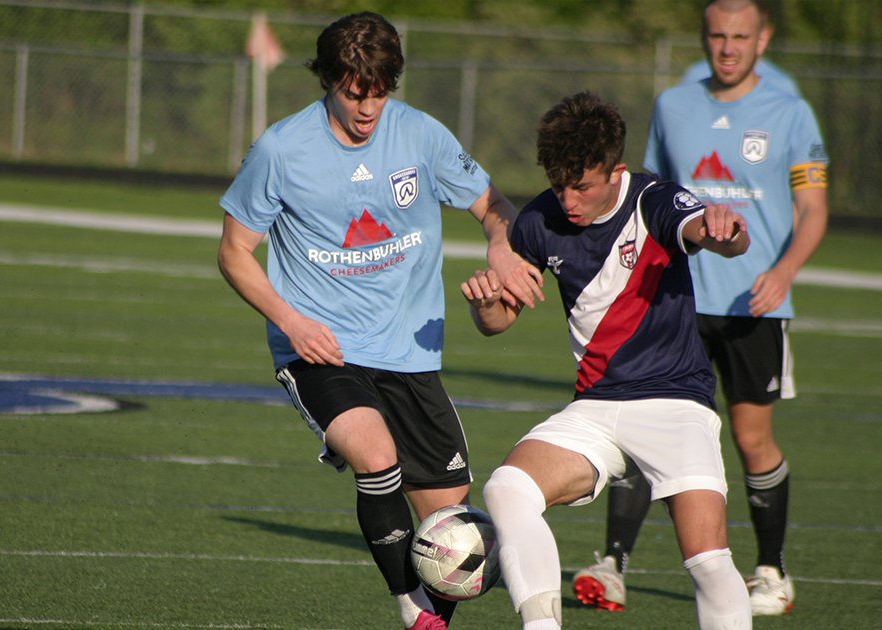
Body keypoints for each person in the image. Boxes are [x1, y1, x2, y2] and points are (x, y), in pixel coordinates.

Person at [216, 11, 543, 630]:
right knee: (375, 456)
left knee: (456, 534)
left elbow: (492, 204)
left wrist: (500, 243)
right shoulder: (282, 149)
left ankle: (432, 618)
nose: (368, 107)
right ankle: (410, 609)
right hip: (322, 350)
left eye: (380, 91)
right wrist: (292, 322)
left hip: (411, 354)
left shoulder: (420, 136)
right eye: (353, 92)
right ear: (327, 81)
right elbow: (234, 253)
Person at [572, 0, 829, 617]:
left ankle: (770, 571)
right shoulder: (672, 105)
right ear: (703, 37)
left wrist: (783, 271)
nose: (728, 47)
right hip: (671, 300)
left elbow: (814, 209)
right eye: (717, 35)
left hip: (754, 303)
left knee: (750, 436)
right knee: (641, 425)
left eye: (741, 36)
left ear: (763, 39)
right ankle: (612, 566)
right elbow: (648, 198)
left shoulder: (790, 113)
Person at [472, 90, 753, 630]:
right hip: (596, 409)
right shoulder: (537, 221)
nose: (569, 200)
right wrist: (487, 304)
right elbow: (499, 321)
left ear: (614, 170)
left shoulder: (654, 199)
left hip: (677, 405)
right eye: (559, 185)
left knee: (708, 560)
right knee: (506, 488)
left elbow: (716, 236)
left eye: (582, 186)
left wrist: (726, 229)